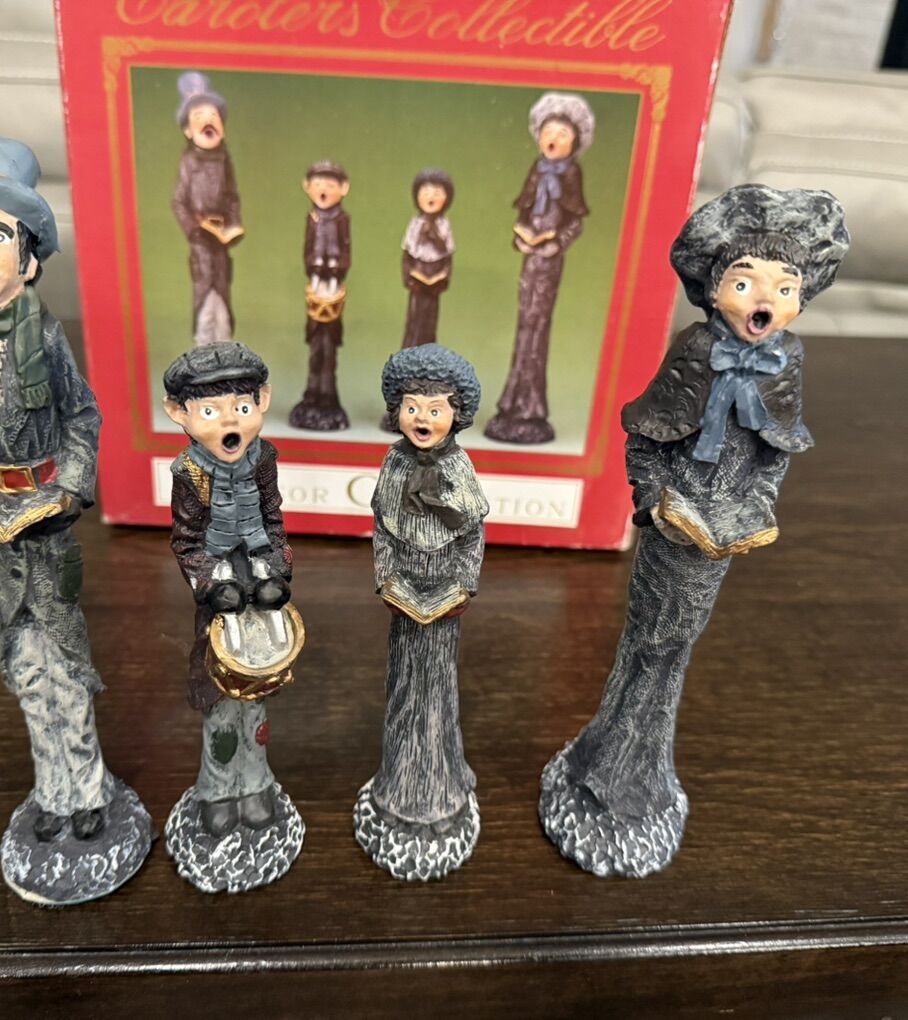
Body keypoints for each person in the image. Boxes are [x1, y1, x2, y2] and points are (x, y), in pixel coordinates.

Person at [539, 184, 850, 878]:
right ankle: (602, 773)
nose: (764, 301)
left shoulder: (788, 361)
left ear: (801, 300)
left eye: (784, 288)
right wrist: (654, 504)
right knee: (648, 642)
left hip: (724, 533)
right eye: (744, 282)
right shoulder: (695, 350)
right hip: (674, 527)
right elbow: (646, 438)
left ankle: (636, 775)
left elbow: (775, 452)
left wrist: (757, 506)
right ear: (713, 290)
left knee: (675, 649)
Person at [0, 135, 153, 904]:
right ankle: (51, 793)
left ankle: (87, 792)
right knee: (23, 665)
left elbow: (82, 416)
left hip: (46, 519)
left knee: (63, 661)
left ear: (27, 262)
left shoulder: (44, 336)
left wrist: (71, 489)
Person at [163, 341, 304, 892]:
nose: (229, 422)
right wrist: (209, 586)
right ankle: (218, 788)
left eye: (241, 408)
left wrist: (278, 570)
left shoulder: (263, 460)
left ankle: (256, 781)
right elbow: (185, 541)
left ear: (262, 402)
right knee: (221, 698)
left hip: (259, 580)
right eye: (210, 410)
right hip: (219, 590)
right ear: (180, 414)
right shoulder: (189, 473)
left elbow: (274, 519)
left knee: (259, 693)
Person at [354, 344, 490, 881]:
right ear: (397, 411)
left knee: (437, 694)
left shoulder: (459, 467)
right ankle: (397, 788)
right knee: (404, 691)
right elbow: (382, 531)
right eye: (413, 407)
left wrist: (462, 585)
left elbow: (472, 535)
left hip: (446, 601)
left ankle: (441, 790)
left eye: (435, 409)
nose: (422, 419)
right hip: (404, 598)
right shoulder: (393, 464)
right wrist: (387, 578)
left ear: (457, 413)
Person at [485, 92, 593, 444]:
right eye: (549, 132)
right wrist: (521, 236)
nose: (553, 139)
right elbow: (525, 210)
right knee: (524, 324)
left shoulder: (571, 173)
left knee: (537, 325)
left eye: (563, 134)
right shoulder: (537, 169)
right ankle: (511, 402)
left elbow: (575, 222)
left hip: (548, 261)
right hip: (530, 259)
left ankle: (531, 407)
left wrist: (555, 243)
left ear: (575, 141)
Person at [171, 71, 244, 345]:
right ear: (188, 131)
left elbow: (232, 197)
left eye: (214, 116)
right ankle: (204, 356)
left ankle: (225, 356)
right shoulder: (188, 162)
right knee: (205, 306)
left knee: (223, 309)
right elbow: (178, 201)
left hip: (220, 243)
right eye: (199, 117)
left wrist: (233, 225)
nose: (208, 122)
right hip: (201, 242)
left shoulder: (225, 160)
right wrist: (194, 228)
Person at [289, 160, 351, 430]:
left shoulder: (342, 220)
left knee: (329, 346)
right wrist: (312, 266)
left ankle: (328, 394)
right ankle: (313, 391)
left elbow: (346, 250)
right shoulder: (312, 218)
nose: (323, 190)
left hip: (334, 281)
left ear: (344, 188)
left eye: (330, 185)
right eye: (318, 184)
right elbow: (307, 248)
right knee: (316, 345)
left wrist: (338, 268)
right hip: (316, 280)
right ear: (307, 187)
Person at [400, 168, 455, 349]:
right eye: (425, 192)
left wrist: (443, 276)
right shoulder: (416, 223)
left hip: (435, 274)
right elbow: (407, 252)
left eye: (437, 193)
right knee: (415, 316)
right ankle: (410, 350)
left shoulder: (444, 225)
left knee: (430, 317)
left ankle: (428, 349)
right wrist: (408, 276)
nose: (431, 197)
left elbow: (447, 254)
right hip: (418, 272)